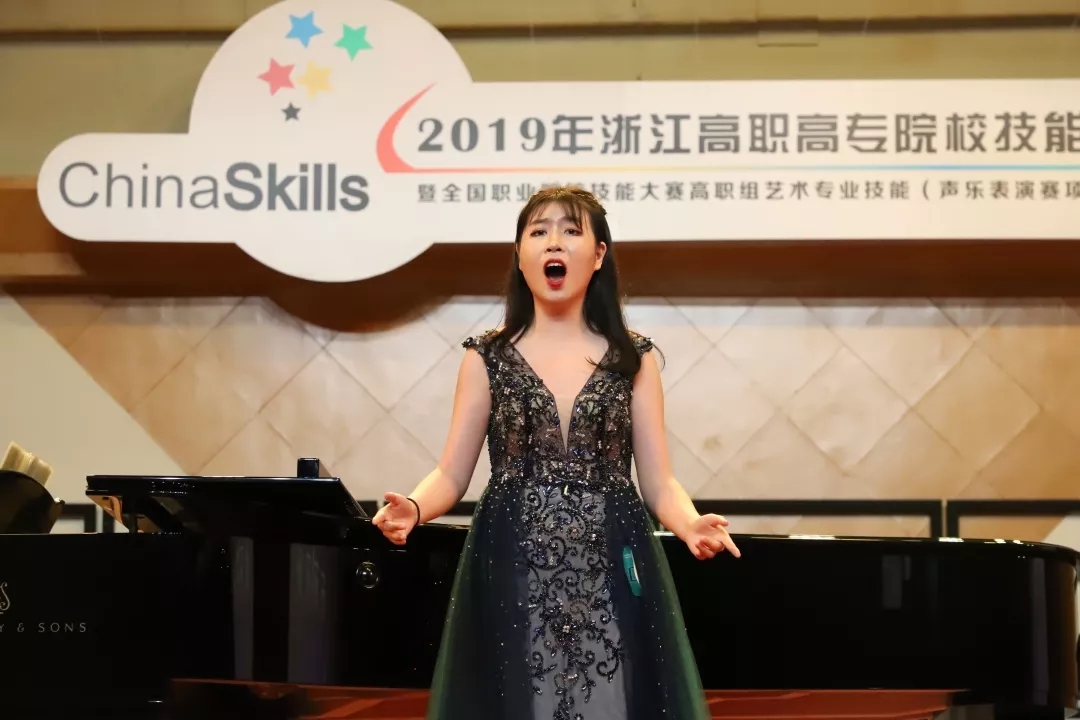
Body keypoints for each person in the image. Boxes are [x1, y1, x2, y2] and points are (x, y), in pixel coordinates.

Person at [372, 185, 741, 720]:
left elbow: (659, 482)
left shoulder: (633, 358)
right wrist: (414, 506)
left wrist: (689, 524)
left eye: (571, 231)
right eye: (539, 231)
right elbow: (451, 473)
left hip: (611, 560)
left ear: (599, 254)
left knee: (611, 700)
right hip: (512, 559)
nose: (554, 242)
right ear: (520, 255)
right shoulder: (487, 357)